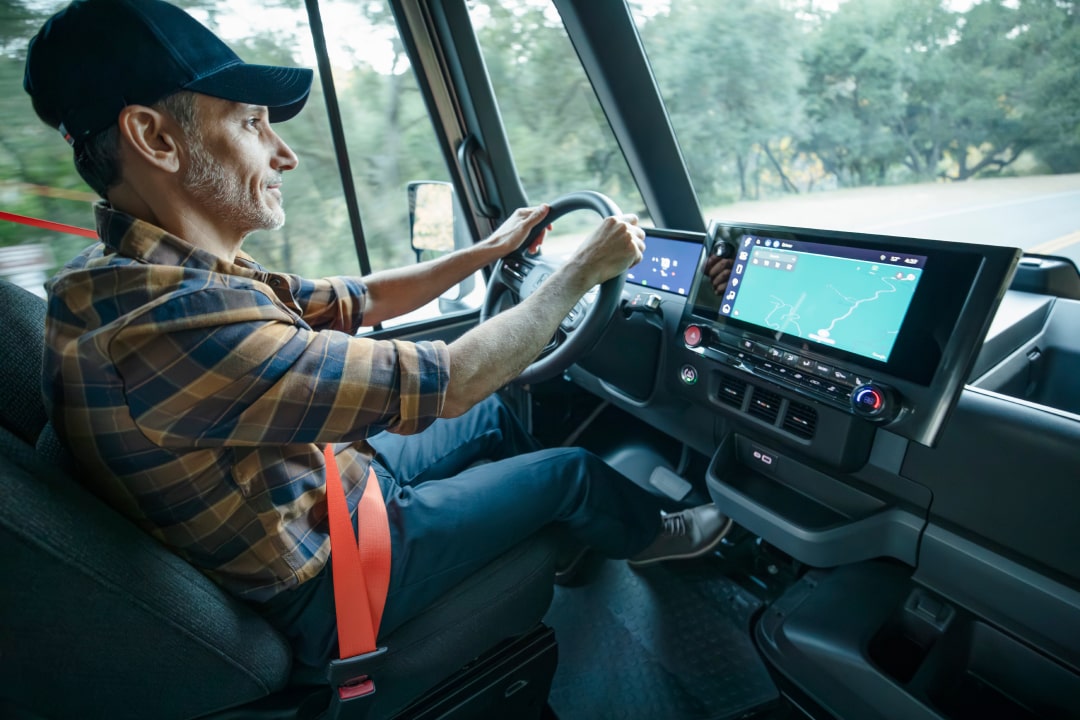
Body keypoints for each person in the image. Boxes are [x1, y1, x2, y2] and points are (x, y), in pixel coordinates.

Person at [24, 0, 732, 670]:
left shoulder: (140, 277)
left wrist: (487, 251)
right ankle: (653, 539)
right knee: (568, 470)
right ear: (154, 137)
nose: (283, 155)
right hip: (329, 575)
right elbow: (452, 379)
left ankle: (565, 531)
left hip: (324, 486)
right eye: (251, 124)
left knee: (504, 410)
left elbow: (354, 300)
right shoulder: (171, 327)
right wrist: (581, 270)